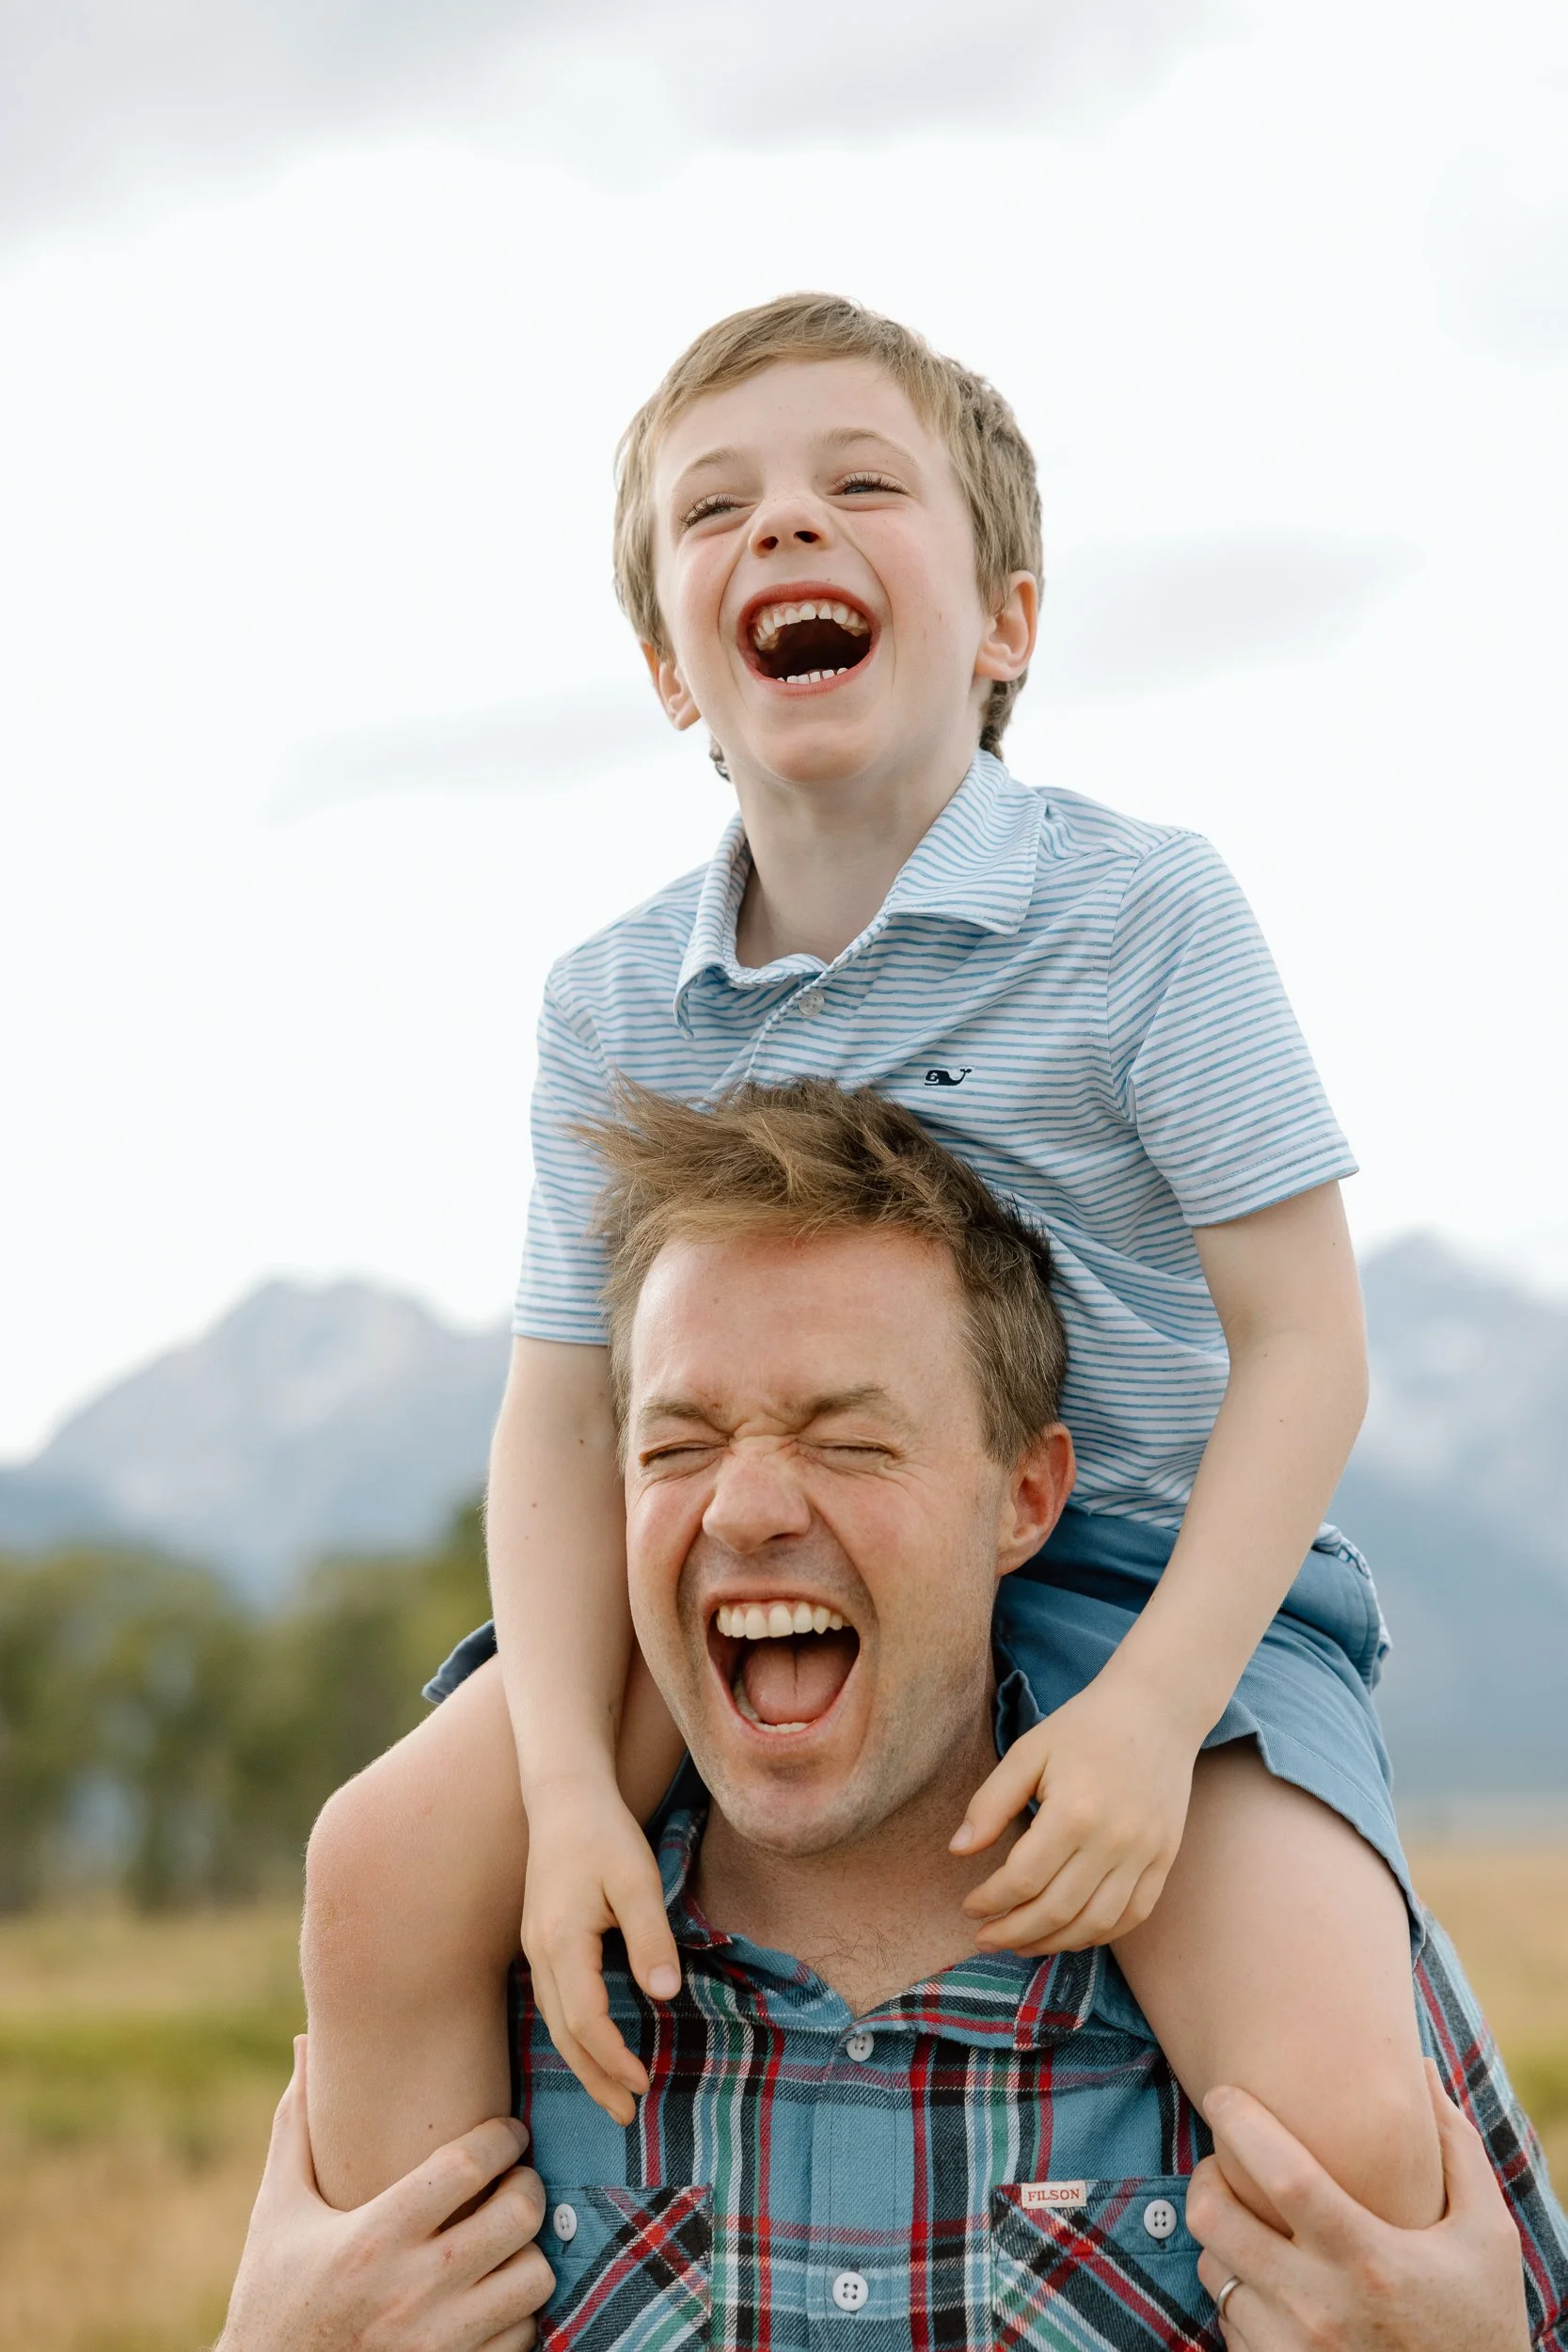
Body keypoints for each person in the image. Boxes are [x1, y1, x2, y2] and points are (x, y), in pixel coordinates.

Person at [310, 292, 1429, 2233]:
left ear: (1002, 622)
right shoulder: (608, 1001)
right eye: (713, 507)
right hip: (751, 1546)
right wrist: (572, 1780)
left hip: (1144, 1558)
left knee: (1326, 2057)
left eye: (857, 484)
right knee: (381, 1859)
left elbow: (1305, 1344)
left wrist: (1156, 1709)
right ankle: (403, 2278)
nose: (783, 530)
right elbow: (561, 1421)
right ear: (670, 661)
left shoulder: (1141, 911)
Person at [284, 1082, 1567, 2348]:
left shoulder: (1298, 1963)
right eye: (675, 1448)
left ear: (1024, 1497)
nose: (743, 1509)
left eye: (846, 1441)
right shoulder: (468, 1967)